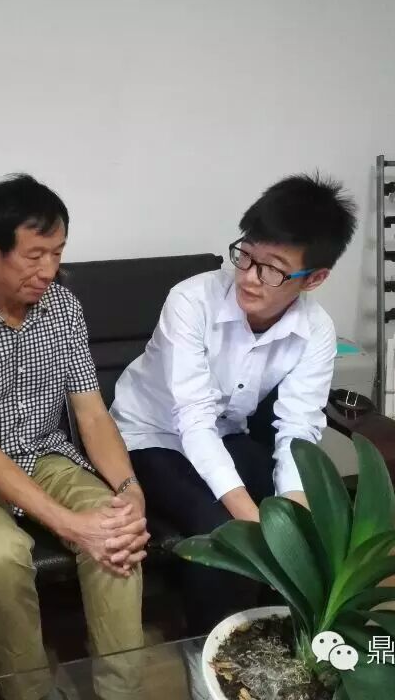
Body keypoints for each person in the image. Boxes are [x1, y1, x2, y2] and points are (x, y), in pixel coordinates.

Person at [109, 173, 357, 697]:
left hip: (225, 434)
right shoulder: (191, 301)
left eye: (273, 268)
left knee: (309, 521)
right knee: (222, 529)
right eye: (245, 255)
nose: (249, 276)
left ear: (314, 278)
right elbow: (192, 419)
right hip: (152, 434)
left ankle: (283, 644)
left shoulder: (316, 331)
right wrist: (253, 518)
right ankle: (207, 657)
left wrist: (292, 508)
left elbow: (298, 427)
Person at [0, 174, 147, 700]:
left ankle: (121, 692)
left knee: (115, 530)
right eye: (34, 255)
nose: (48, 270)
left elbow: (91, 415)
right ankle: (31, 694)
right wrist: (72, 526)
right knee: (0, 555)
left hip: (43, 454)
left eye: (58, 253)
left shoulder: (63, 307)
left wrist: (129, 490)